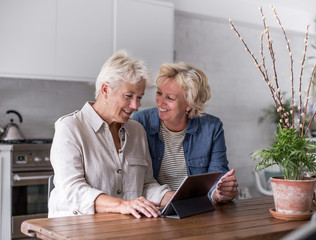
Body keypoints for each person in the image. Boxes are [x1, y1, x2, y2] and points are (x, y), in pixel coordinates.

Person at [48, 50, 173, 219]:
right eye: (128, 96)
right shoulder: (70, 127)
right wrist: (121, 205)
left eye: (139, 98)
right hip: (76, 228)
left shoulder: (137, 131)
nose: (135, 105)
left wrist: (176, 197)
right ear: (106, 90)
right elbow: (72, 190)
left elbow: (145, 185)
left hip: (123, 229)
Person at [132, 62, 238, 203]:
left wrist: (220, 192)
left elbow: (217, 176)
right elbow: (136, 180)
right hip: (154, 209)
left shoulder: (212, 127)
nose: (160, 102)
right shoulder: (140, 122)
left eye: (170, 98)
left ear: (189, 104)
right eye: (159, 93)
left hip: (195, 209)